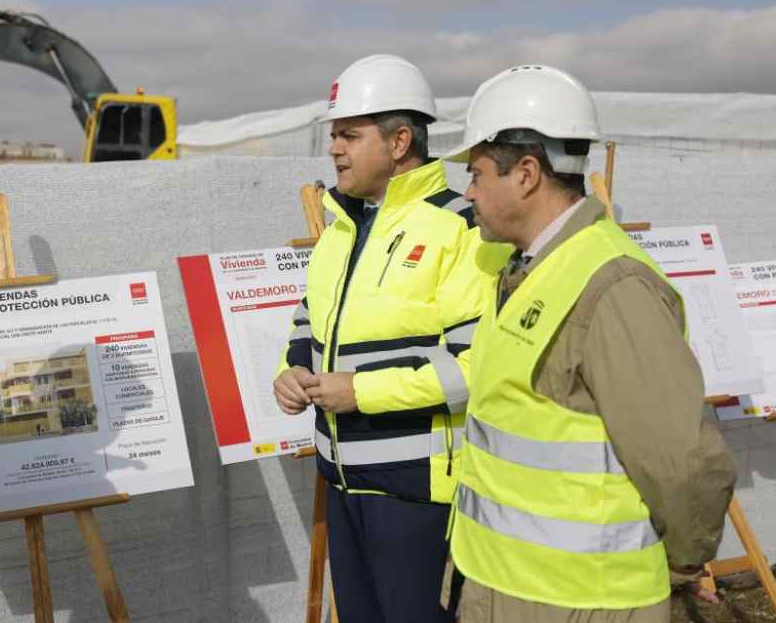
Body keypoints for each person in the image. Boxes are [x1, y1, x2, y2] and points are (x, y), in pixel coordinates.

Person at [444, 64, 737, 623]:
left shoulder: (613, 286)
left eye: (477, 174)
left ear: (526, 174)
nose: (469, 192)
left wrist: (678, 566)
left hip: (584, 603)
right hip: (505, 586)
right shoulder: (526, 269)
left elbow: (681, 463)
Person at [273, 54, 495, 622]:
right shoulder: (342, 228)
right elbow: (308, 319)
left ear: (399, 142)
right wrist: (291, 370)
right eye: (333, 135)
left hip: (416, 493)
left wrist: (361, 393)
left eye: (349, 134)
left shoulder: (460, 227)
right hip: (342, 480)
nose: (334, 149)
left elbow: (476, 368)